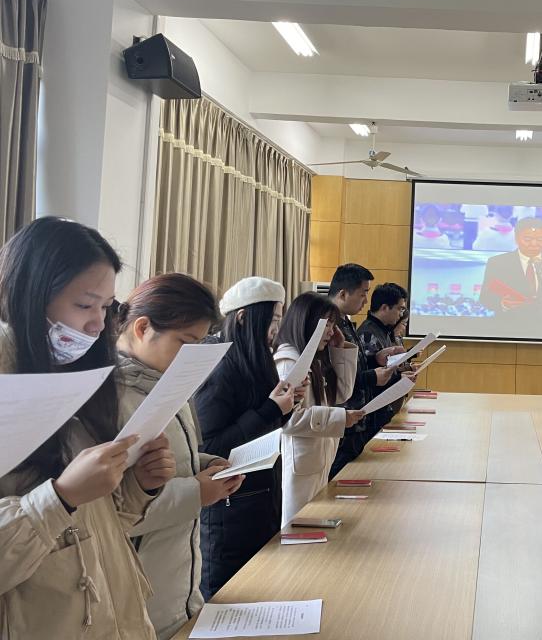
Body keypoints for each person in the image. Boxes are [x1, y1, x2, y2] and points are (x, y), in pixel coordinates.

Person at [0, 217, 175, 639]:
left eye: (106, 307)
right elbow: (59, 511)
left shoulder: (73, 384)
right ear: (29, 295)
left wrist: (139, 485)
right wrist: (61, 496)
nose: (98, 325)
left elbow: (98, 527)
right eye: (84, 305)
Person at [115, 273, 244, 639]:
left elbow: (169, 461)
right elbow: (110, 513)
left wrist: (205, 464)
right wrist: (197, 493)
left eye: (199, 344)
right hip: (140, 601)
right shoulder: (111, 399)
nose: (192, 356)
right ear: (143, 328)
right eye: (185, 342)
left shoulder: (167, 385)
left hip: (181, 589)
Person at [194, 277, 299, 599]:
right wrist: (270, 409)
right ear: (243, 318)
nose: (276, 330)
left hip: (261, 499)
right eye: (272, 320)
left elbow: (263, 428)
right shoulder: (221, 367)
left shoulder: (255, 360)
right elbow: (209, 447)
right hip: (230, 510)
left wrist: (285, 406)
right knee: (226, 598)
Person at [275, 292, 363, 527]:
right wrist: (340, 418)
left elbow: (342, 394)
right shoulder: (289, 361)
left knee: (311, 521)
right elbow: (288, 420)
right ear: (307, 322)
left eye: (333, 325)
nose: (331, 332)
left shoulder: (313, 357)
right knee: (297, 526)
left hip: (318, 457)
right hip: (301, 461)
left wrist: (340, 349)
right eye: (327, 325)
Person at [328, 264, 399, 476]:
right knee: (335, 481)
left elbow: (351, 365)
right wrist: (371, 377)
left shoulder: (344, 322)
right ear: (343, 294)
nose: (366, 301)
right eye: (362, 294)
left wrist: (374, 358)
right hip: (341, 420)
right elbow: (333, 377)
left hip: (355, 419)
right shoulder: (328, 325)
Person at [478, 217, 542, 318]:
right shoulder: (497, 263)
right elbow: (485, 297)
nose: (534, 244)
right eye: (528, 239)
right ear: (516, 239)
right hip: (509, 324)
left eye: (540, 239)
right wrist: (503, 303)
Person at [357, 283, 410, 433]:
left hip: (381, 409)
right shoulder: (369, 333)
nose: (401, 314)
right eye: (400, 309)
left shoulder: (384, 331)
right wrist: (400, 377)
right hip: (370, 413)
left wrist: (403, 373)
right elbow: (372, 378)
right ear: (385, 307)